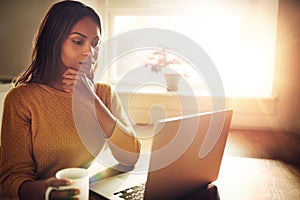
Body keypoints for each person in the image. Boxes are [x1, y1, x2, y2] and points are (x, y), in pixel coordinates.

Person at [0, 1, 141, 199]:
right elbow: (12, 181)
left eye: (95, 44)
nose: (89, 52)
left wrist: (90, 100)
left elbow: (130, 156)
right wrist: (47, 192)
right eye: (78, 41)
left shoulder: (103, 94)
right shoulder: (22, 100)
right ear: (53, 43)